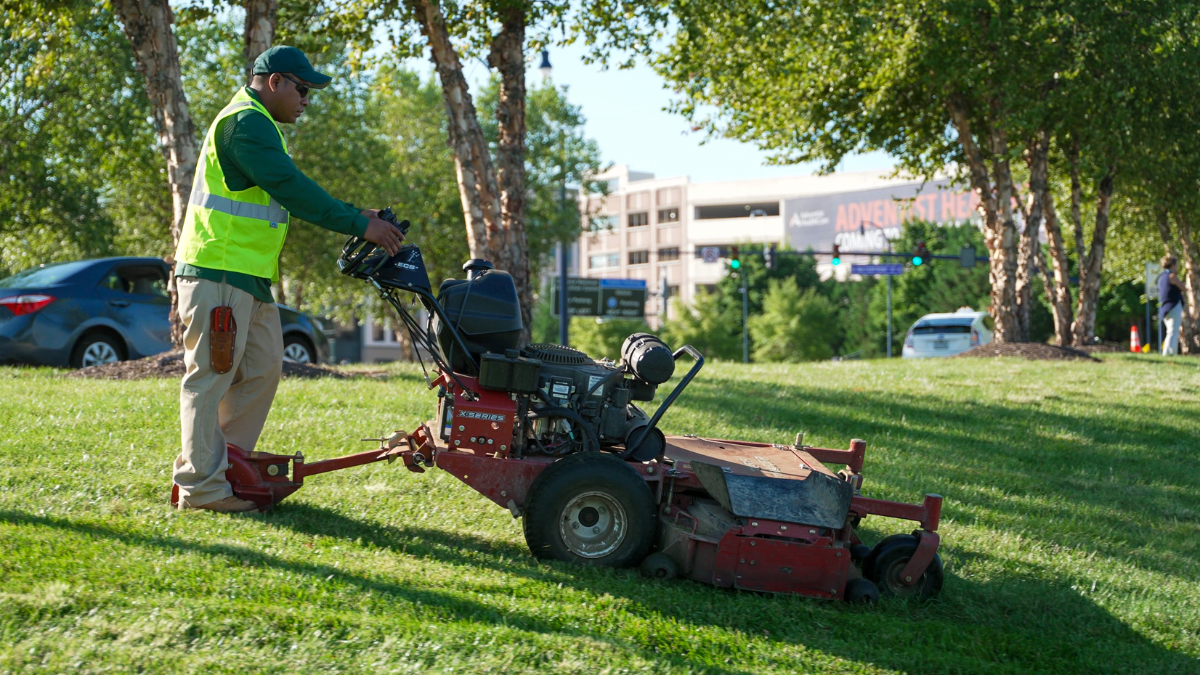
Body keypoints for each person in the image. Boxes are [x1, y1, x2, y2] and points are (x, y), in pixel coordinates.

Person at [172, 46, 405, 513]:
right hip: (218, 271)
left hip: (249, 279)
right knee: (211, 380)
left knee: (262, 369)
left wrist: (353, 213)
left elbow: (283, 189)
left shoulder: (261, 127)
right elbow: (292, 189)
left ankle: (229, 469)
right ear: (275, 81)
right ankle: (201, 489)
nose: (306, 100)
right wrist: (361, 226)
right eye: (302, 89)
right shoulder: (246, 123)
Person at [1159, 254, 1186, 356]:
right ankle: (1169, 354)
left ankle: (1167, 353)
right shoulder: (1172, 276)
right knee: (1173, 332)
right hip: (1173, 307)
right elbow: (1183, 288)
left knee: (1170, 332)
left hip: (1165, 308)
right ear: (1173, 265)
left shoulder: (1163, 278)